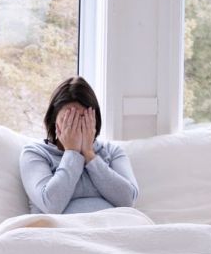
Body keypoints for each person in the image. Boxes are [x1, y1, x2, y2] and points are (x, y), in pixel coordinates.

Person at [20, 76, 138, 214]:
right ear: (54, 120)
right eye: (68, 119)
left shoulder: (112, 152)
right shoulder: (35, 153)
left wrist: (89, 154)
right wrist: (72, 153)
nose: (75, 126)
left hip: (111, 229)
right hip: (59, 232)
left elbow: (128, 200)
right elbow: (51, 205)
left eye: (82, 119)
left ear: (94, 120)